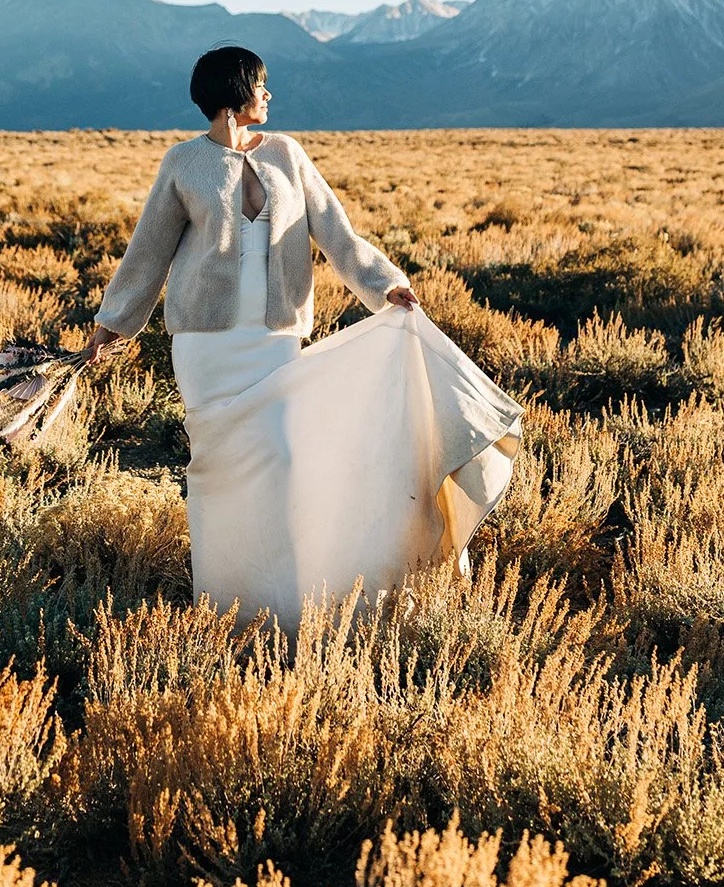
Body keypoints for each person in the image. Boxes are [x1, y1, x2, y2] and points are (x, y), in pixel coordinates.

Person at [85, 45, 521, 631]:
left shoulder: (288, 156)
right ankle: (224, 608)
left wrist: (385, 285)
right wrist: (113, 322)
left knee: (286, 464)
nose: (269, 96)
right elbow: (148, 254)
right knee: (222, 470)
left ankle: (288, 605)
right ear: (235, 94)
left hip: (275, 343)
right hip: (208, 348)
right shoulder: (182, 164)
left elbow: (337, 233)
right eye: (261, 86)